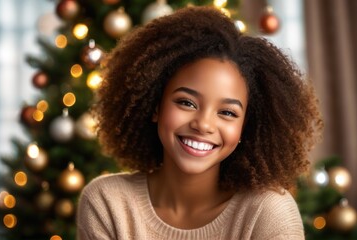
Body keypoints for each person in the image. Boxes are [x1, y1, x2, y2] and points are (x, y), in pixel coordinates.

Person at [76, 6, 323, 240]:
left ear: (244, 127)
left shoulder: (267, 212)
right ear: (155, 106)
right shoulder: (107, 202)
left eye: (227, 112)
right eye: (186, 103)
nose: (203, 124)